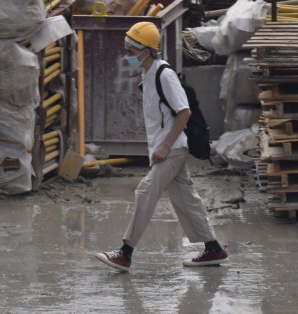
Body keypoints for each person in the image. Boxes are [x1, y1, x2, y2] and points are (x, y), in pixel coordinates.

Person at [94, 21, 228, 273]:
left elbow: (184, 111)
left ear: (145, 51)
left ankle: (125, 253)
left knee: (144, 192)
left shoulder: (163, 74)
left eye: (131, 51)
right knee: (186, 199)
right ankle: (213, 249)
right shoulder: (148, 73)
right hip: (167, 148)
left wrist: (166, 146)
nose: (127, 56)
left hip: (174, 150)